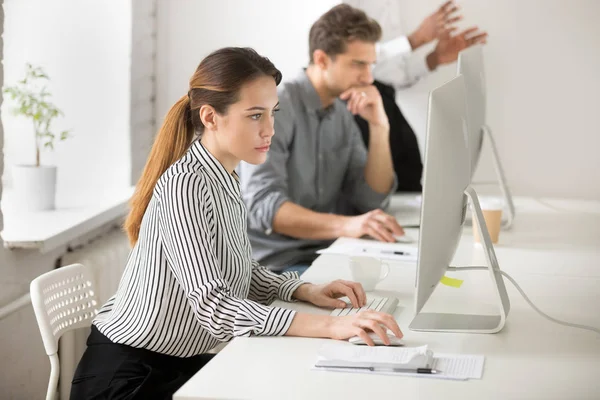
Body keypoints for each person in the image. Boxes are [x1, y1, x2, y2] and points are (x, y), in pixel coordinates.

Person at [70, 47, 402, 400]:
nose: (270, 130)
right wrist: (332, 326)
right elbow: (215, 305)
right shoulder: (186, 185)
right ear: (211, 117)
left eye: (272, 113)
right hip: (126, 378)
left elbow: (241, 270)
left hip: (175, 363)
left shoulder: (224, 176)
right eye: (255, 116)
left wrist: (304, 290)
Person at [356, 1, 488, 192]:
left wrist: (434, 59)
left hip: (386, 100)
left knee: (410, 181)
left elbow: (392, 75)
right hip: (358, 104)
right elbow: (347, 55)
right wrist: (416, 39)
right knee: (375, 191)